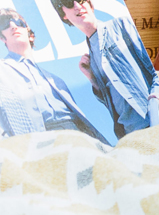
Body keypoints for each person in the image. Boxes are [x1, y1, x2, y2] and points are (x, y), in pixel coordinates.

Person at [51, 0, 159, 137]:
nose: (77, 6)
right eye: (68, 3)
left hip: (155, 119)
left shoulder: (122, 26)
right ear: (63, 14)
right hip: (130, 134)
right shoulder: (90, 58)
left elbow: (154, 67)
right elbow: (113, 102)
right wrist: (93, 80)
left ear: (88, 1)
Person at [0, 8, 112, 143]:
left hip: (77, 135)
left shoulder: (55, 80)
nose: (13, 26)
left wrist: (92, 79)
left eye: (18, 22)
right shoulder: (3, 70)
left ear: (29, 32)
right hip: (44, 139)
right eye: (5, 25)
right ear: (1, 37)